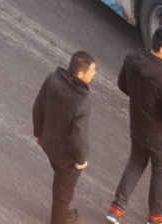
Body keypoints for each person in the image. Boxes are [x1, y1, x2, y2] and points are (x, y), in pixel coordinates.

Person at [106, 25, 162, 224]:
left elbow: (123, 85)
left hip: (138, 126)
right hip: (161, 136)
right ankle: (157, 214)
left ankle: (117, 208)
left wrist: (142, 100)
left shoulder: (133, 58)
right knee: (160, 173)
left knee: (135, 163)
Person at [32, 50, 97, 224]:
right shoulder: (82, 101)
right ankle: (59, 218)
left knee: (61, 184)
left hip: (49, 143)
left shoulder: (53, 78)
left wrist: (38, 133)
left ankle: (62, 213)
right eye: (92, 70)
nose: (94, 74)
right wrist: (81, 159)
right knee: (63, 195)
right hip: (67, 157)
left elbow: (39, 105)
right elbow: (79, 136)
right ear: (80, 73)